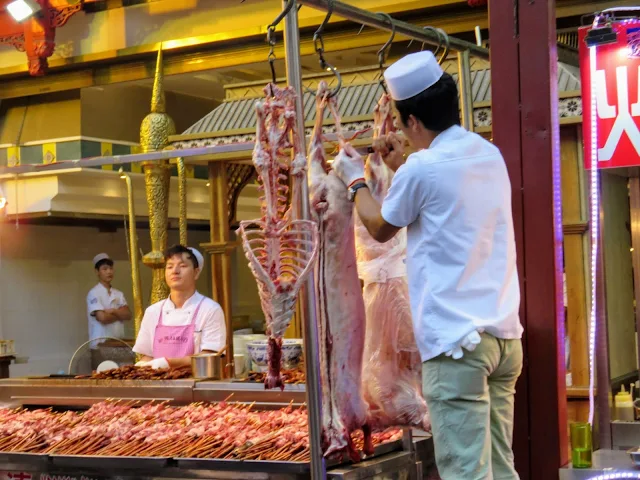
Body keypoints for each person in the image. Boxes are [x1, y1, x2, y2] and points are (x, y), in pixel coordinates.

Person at [332, 51, 524, 480]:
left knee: (464, 472)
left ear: (413, 121)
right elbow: (438, 195)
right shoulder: (486, 152)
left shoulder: (423, 167)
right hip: (503, 339)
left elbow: (380, 228)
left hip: (458, 348)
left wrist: (354, 179)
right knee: (499, 465)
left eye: (403, 124)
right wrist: (403, 164)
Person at [133, 244, 226, 369]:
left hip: (195, 384)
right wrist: (143, 365)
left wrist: (168, 363)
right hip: (159, 384)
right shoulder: (153, 311)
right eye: (170, 266)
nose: (175, 271)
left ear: (196, 272)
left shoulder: (210, 309)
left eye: (182, 266)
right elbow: (147, 356)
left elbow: (210, 356)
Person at [87, 253, 131, 349]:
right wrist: (120, 315)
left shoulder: (119, 293)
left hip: (118, 343)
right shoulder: (94, 293)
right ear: (97, 272)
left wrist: (113, 311)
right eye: (105, 269)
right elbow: (102, 318)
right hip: (99, 345)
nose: (109, 272)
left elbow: (128, 315)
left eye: (111, 269)